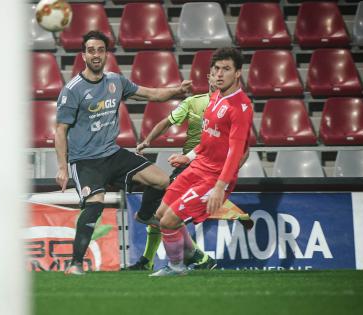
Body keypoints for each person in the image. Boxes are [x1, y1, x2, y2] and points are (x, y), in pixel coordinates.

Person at [55, 30, 192, 275]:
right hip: (85, 160)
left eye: (100, 50)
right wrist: (63, 167)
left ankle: (145, 215)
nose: (96, 55)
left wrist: (177, 91)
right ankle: (75, 264)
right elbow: (60, 130)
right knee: (95, 205)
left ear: (106, 54)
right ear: (83, 55)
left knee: (161, 180)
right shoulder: (72, 90)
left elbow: (151, 94)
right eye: (91, 50)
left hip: (113, 154)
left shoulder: (116, 82)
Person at [150, 47, 254, 276]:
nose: (219, 74)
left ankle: (176, 267)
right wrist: (187, 157)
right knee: (161, 214)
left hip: (214, 178)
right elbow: (208, 140)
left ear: (238, 73)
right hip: (197, 167)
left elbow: (237, 151)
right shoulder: (216, 96)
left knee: (168, 221)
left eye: (226, 69)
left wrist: (220, 186)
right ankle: (195, 257)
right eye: (216, 69)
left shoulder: (241, 107)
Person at [126, 70, 220, 271]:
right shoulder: (194, 103)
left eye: (223, 72)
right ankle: (148, 261)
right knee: (160, 209)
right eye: (213, 73)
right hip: (188, 166)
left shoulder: (229, 108)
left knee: (166, 213)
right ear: (208, 78)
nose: (218, 77)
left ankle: (199, 258)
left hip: (206, 167)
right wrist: (147, 141)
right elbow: (166, 122)